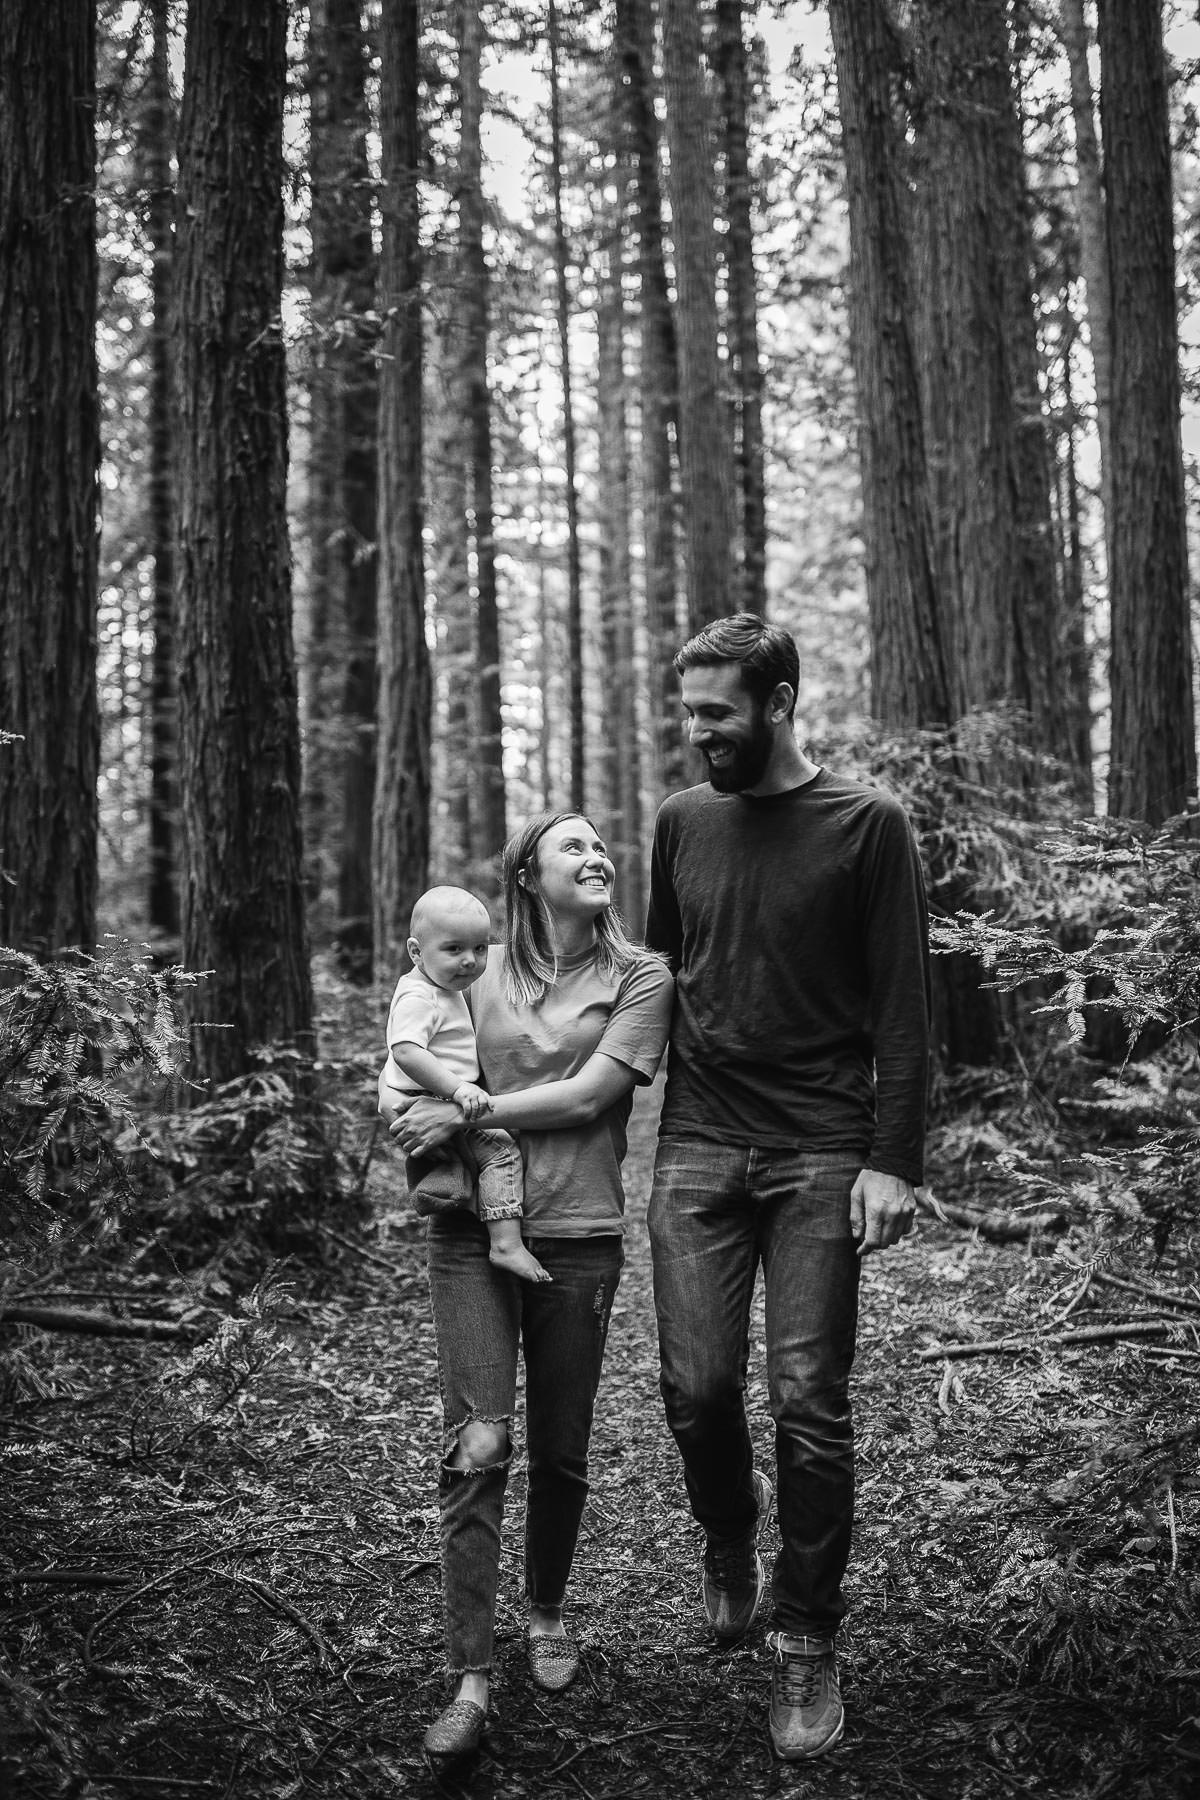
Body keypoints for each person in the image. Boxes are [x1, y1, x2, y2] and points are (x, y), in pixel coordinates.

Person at [645, 612, 929, 1762]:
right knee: (695, 1386)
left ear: (779, 702)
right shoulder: (680, 821)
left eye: (718, 711)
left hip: (821, 1145)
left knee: (808, 1401)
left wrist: (894, 1159)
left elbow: (906, 1007)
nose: (699, 731)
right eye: (690, 711)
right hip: (699, 1141)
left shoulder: (869, 826)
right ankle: (729, 1537)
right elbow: (663, 974)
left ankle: (807, 1637)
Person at [384, 813, 674, 1763]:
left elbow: (595, 1095)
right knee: (478, 1443)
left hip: (582, 1233)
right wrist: (417, 1110)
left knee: (560, 1450)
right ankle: (471, 1670)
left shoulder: (641, 976)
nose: (597, 858)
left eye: (601, 848)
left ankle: (545, 1610)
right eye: (573, 848)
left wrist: (466, 1109)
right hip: (472, 1234)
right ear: (527, 875)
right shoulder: (477, 962)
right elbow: (411, 1038)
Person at [379, 884, 549, 1285]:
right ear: (416, 951)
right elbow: (404, 1050)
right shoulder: (424, 997)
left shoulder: (436, 986)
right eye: (454, 949)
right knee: (502, 1152)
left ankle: (447, 1189)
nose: (470, 961)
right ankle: (505, 1241)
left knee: (457, 1162)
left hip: (430, 1095)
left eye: (480, 948)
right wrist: (457, 1090)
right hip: (436, 1097)